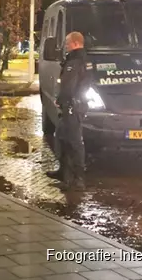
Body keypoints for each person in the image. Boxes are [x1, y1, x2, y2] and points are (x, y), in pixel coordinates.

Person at [46, 31, 90, 190]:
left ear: (76, 43)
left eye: (67, 42)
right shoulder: (75, 59)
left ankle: (78, 179)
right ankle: (64, 171)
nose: (65, 45)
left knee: (75, 142)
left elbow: (68, 86)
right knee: (62, 137)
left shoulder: (76, 61)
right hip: (71, 106)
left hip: (73, 106)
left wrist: (61, 100)